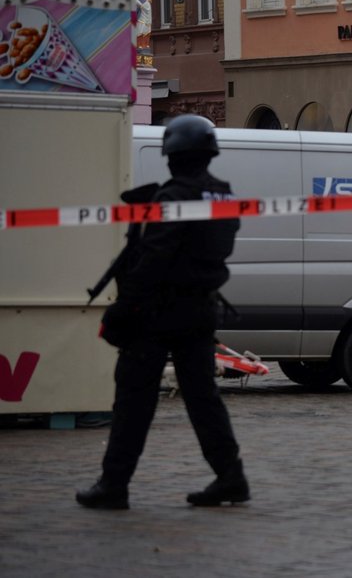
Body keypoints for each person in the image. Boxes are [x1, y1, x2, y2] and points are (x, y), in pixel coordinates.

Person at [76, 114, 248, 510]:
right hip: (200, 310)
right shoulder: (223, 195)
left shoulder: (172, 199)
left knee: (134, 400)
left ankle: (114, 485)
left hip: (157, 313)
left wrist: (125, 307)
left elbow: (153, 259)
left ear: (173, 155)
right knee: (204, 399)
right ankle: (230, 476)